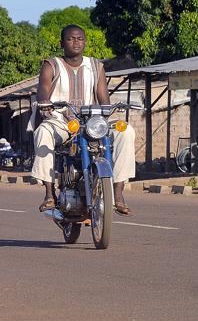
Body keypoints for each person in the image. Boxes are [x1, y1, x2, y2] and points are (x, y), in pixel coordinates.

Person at [30, 25, 136, 215]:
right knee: (43, 132)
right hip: (61, 121)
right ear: (62, 43)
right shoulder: (52, 64)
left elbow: (104, 99)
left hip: (91, 122)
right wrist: (45, 103)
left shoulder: (96, 66)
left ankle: (118, 194)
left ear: (85, 41)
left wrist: (109, 111)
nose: (76, 42)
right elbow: (43, 89)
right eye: (70, 39)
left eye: (79, 39)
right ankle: (49, 193)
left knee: (126, 131)